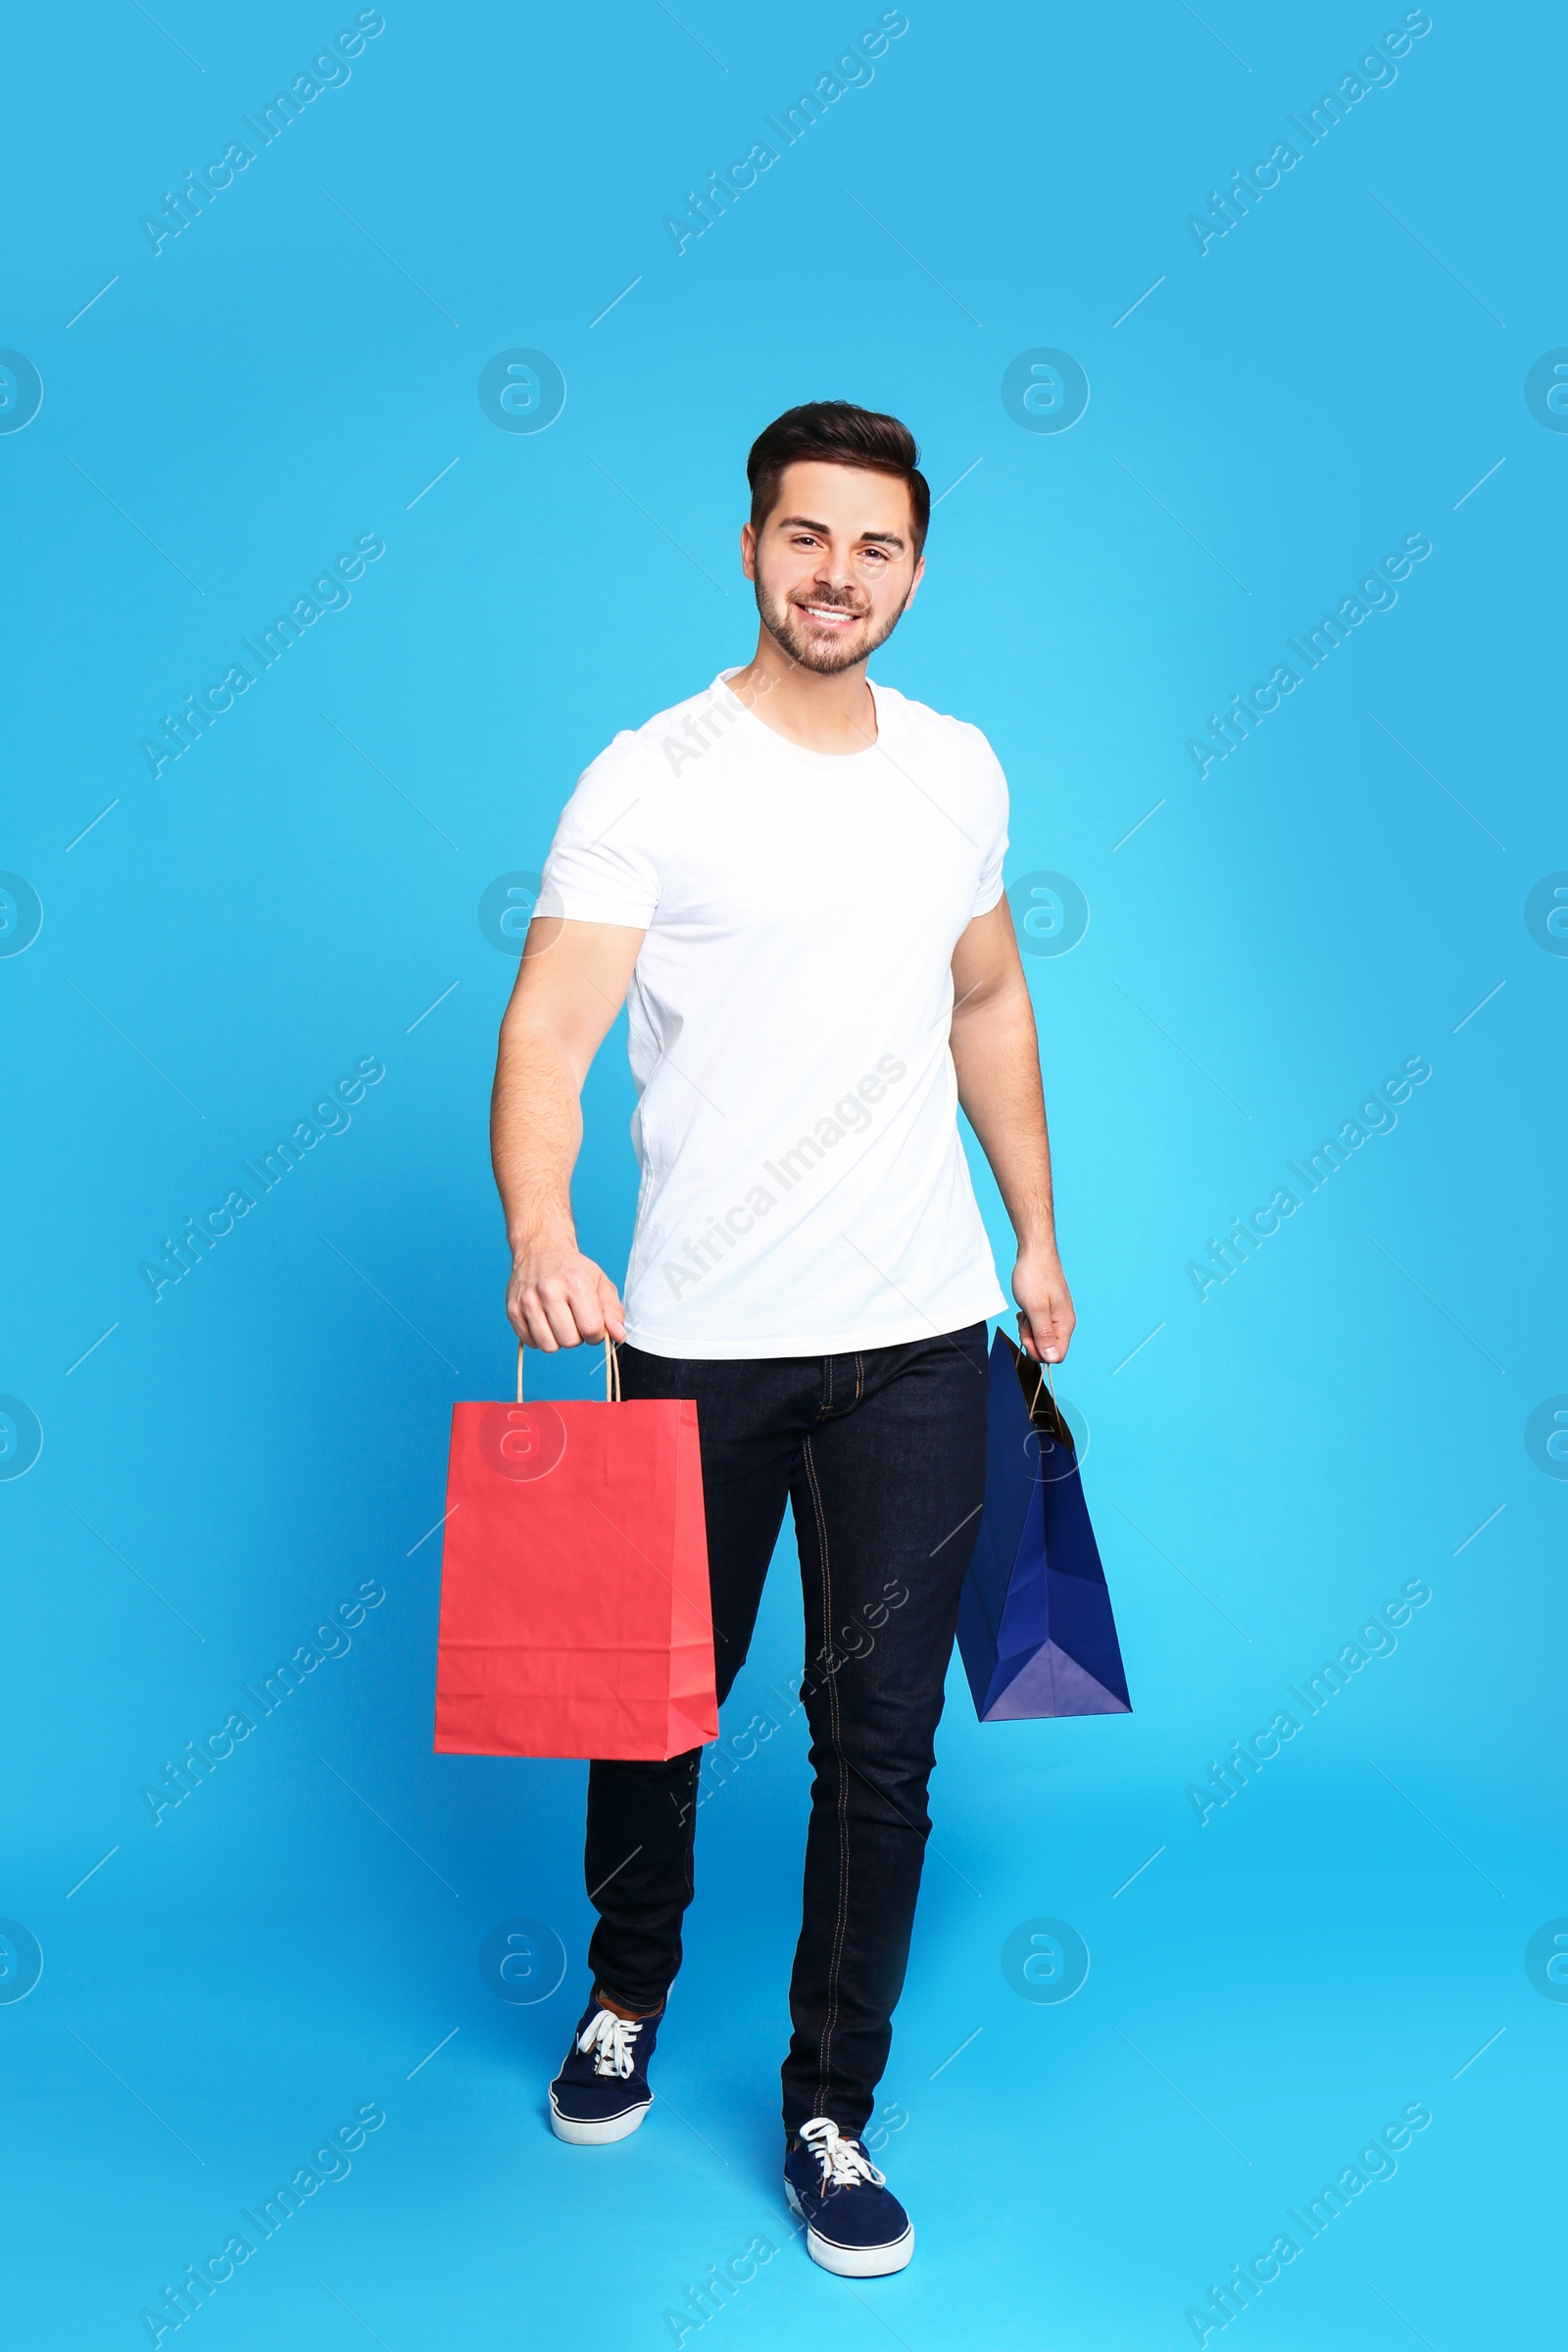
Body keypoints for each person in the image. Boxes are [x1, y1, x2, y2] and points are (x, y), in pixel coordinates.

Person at [489, 400, 1074, 2278]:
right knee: (650, 1707)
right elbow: (546, 1032)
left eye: (878, 547)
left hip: (917, 1333)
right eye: (808, 539)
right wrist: (537, 1229)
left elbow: (989, 998)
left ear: (917, 567)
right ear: (752, 549)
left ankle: (833, 2110)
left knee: (880, 1741)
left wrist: (1036, 1234)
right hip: (696, 1339)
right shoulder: (648, 778)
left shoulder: (960, 771)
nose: (841, 577)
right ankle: (626, 1993)